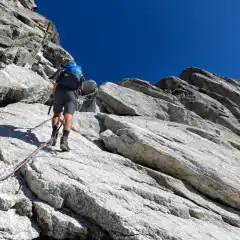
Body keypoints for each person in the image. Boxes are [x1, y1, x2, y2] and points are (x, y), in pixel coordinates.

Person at [50, 59, 85, 151]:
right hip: (72, 95)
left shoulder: (64, 70)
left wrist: (54, 94)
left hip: (59, 92)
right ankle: (64, 141)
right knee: (68, 117)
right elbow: (80, 89)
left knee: (56, 114)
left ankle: (54, 135)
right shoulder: (79, 73)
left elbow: (56, 84)